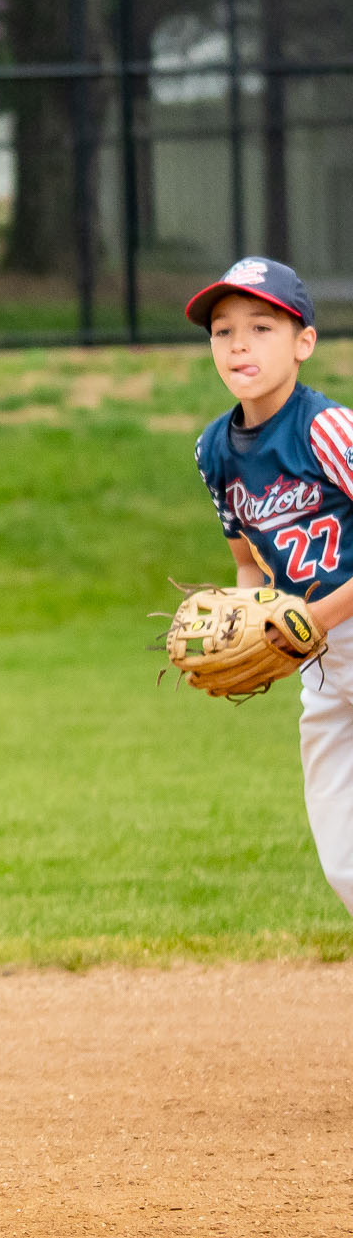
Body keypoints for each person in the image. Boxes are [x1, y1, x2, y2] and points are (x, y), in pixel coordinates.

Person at [185, 257, 353, 916]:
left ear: (303, 342)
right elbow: (249, 564)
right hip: (316, 660)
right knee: (344, 857)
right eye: (223, 331)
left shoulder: (328, 429)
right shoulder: (214, 449)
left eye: (261, 326)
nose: (240, 345)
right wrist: (248, 626)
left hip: (330, 624)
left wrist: (315, 616)